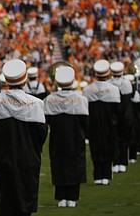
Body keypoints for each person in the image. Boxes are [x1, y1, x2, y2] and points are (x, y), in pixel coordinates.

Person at [0, 59, 47, 216]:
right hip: (28, 156)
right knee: (25, 199)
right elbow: (41, 134)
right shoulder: (36, 104)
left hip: (1, 156)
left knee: (5, 198)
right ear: (24, 80)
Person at [43, 65, 88, 208]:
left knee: (59, 163)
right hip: (75, 137)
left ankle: (61, 196)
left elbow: (46, 120)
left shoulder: (49, 100)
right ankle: (73, 196)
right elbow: (85, 122)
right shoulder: (80, 99)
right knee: (74, 163)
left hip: (57, 138)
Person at [83, 60, 121, 185]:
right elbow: (117, 111)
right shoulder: (114, 90)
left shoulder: (87, 90)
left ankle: (97, 175)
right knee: (108, 146)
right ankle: (106, 175)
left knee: (96, 148)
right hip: (109, 124)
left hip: (93, 124)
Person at [108, 62, 133, 173]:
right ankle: (122, 162)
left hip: (112, 114)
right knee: (124, 138)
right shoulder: (127, 83)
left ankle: (115, 161)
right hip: (125, 113)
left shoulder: (108, 83)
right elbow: (129, 99)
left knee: (113, 138)